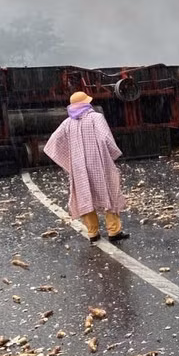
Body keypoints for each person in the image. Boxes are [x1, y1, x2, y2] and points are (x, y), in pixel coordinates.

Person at [44, 92, 129, 244]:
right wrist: (111, 155)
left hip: (79, 167)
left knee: (85, 196)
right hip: (98, 162)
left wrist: (69, 161)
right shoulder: (96, 118)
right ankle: (114, 231)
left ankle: (93, 233)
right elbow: (106, 139)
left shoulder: (67, 123)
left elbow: (52, 144)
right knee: (108, 193)